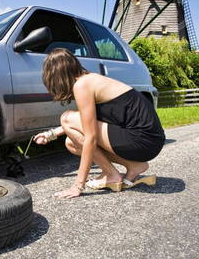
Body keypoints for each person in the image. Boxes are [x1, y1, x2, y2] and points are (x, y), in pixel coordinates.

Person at [34, 48, 165, 199]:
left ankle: (111, 175)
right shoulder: (90, 80)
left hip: (142, 139)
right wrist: (50, 134)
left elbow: (90, 137)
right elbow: (83, 122)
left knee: (66, 118)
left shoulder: (82, 85)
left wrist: (78, 186)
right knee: (71, 142)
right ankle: (134, 166)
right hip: (149, 141)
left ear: (55, 76)